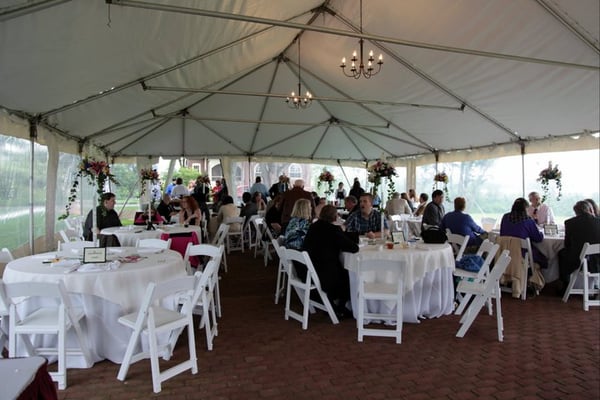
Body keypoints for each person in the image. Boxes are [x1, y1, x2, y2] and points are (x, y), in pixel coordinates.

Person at [303, 205, 359, 318]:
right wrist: (342, 232)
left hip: (310, 270)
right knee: (351, 276)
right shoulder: (334, 230)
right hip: (326, 275)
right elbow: (354, 248)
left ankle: (336, 305)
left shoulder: (313, 227)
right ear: (335, 217)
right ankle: (340, 308)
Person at [558, 201, 600, 293]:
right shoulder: (598, 221)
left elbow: (567, 243)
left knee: (562, 253)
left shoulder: (570, 222)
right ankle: (595, 286)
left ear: (576, 212)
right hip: (597, 258)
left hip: (578, 258)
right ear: (590, 209)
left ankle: (565, 284)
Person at [499, 197, 546, 268]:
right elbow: (538, 239)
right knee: (544, 258)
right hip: (522, 254)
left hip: (505, 252)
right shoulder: (528, 220)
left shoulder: (505, 217)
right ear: (526, 209)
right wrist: (542, 233)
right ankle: (535, 276)